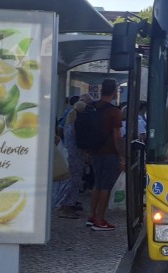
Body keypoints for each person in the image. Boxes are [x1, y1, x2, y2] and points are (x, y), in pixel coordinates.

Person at [87, 79, 124, 231]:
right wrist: (122, 156)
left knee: (97, 184)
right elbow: (117, 136)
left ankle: (92, 216)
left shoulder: (92, 107)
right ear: (114, 92)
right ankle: (100, 220)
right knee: (106, 187)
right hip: (109, 153)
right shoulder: (114, 111)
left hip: (95, 151)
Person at [53, 99, 89, 218]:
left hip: (70, 153)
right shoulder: (77, 124)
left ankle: (66, 205)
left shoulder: (69, 121)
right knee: (73, 181)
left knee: (70, 181)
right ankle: (66, 207)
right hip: (76, 155)